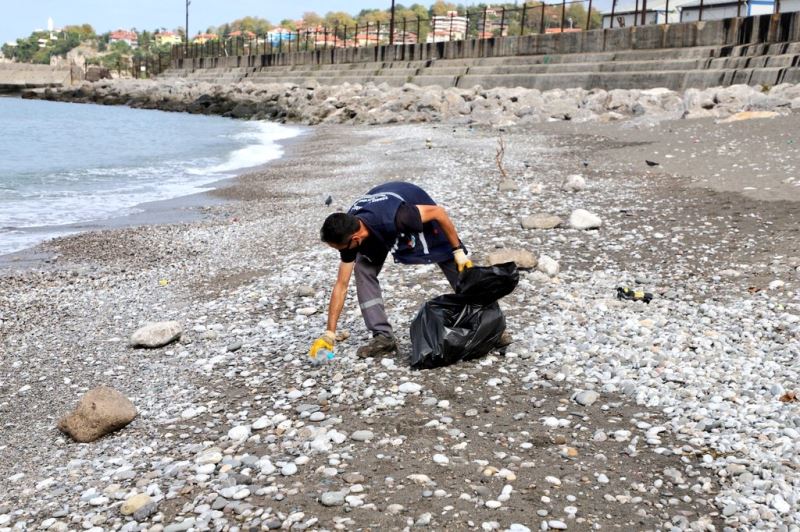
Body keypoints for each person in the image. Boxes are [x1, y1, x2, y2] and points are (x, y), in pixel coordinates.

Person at [310, 181, 475, 359]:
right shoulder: (348, 230)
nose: (342, 252)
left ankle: (487, 321)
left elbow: (439, 212)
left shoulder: (400, 216)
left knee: (451, 258)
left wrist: (458, 250)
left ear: (355, 238)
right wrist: (329, 333)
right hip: (375, 224)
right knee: (363, 269)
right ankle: (383, 337)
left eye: (340, 248)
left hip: (408, 202)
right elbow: (341, 285)